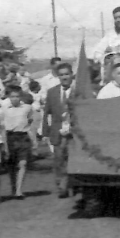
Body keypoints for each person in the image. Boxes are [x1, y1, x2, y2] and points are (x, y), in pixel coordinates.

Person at [42, 62, 75, 199]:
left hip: (74, 133)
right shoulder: (52, 92)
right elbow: (47, 113)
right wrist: (45, 133)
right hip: (57, 132)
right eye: (61, 75)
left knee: (72, 159)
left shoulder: (78, 92)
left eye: (67, 74)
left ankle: (72, 185)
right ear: (58, 76)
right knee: (59, 159)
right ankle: (61, 185)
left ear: (71, 74)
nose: (64, 77)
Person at [1, 84, 34, 198]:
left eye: (17, 96)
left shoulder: (27, 108)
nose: (15, 99)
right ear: (9, 97)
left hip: (23, 136)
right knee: (11, 165)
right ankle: (13, 187)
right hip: (10, 137)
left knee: (23, 163)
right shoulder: (4, 109)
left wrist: (33, 140)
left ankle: (19, 189)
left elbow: (30, 122)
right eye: (13, 96)